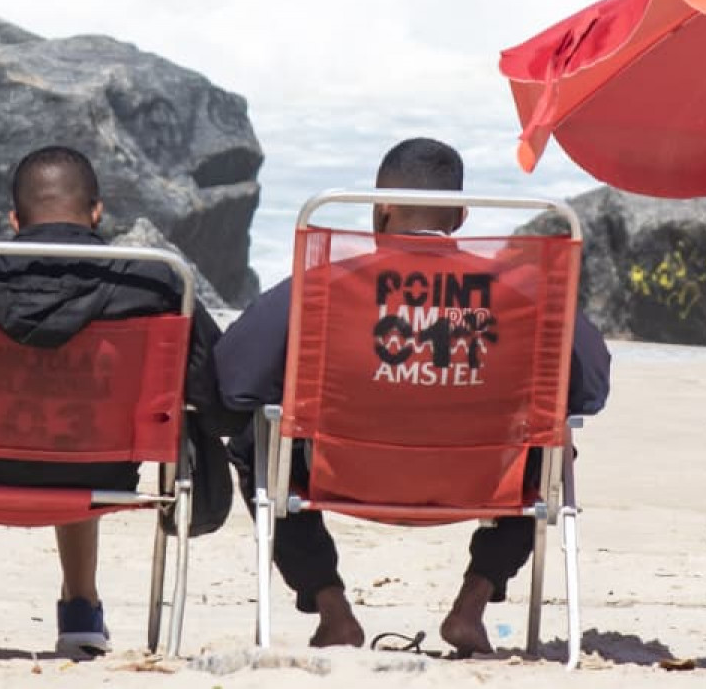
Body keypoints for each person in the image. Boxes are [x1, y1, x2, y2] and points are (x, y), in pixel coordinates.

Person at [215, 137, 612, 656]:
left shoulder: (325, 287)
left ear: (381, 210)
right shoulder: (523, 292)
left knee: (256, 440)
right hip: (485, 478)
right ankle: (472, 606)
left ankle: (333, 611)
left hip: (343, 473)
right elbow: (589, 390)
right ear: (462, 214)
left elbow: (233, 378)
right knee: (549, 445)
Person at [0, 144, 240, 658]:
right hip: (99, 471)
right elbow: (213, 384)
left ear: (14, 219)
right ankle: (80, 606)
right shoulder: (153, 281)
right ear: (97, 212)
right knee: (78, 431)